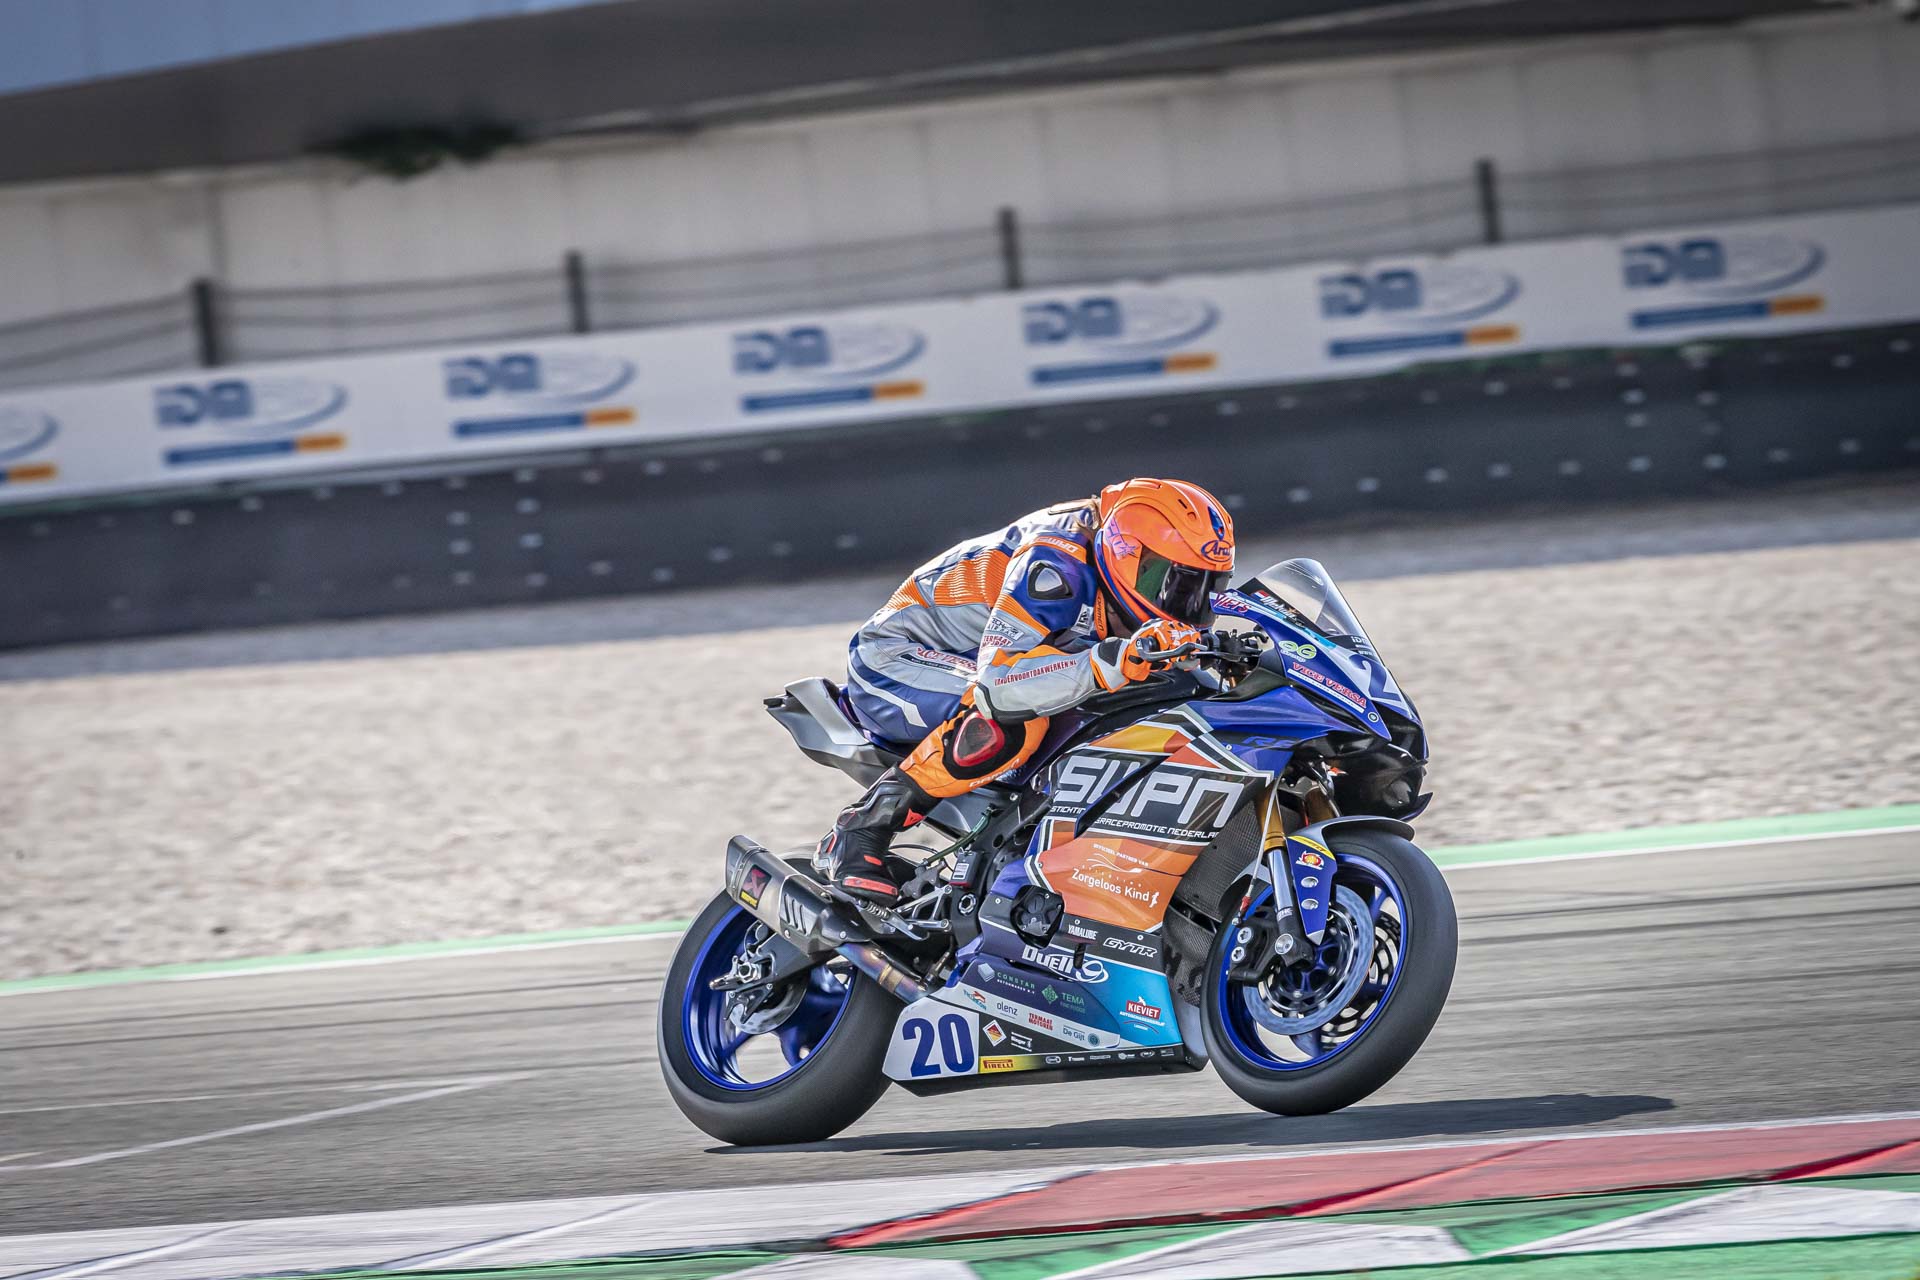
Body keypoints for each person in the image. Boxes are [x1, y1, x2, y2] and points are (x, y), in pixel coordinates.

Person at [817, 477, 1236, 902]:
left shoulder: (1114, 560)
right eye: (1175, 585)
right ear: (1127, 555)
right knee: (1016, 718)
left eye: (1205, 590)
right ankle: (861, 829)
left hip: (986, 661)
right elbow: (999, 687)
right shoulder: (1055, 564)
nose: (1187, 607)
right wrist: (1110, 660)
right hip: (893, 660)